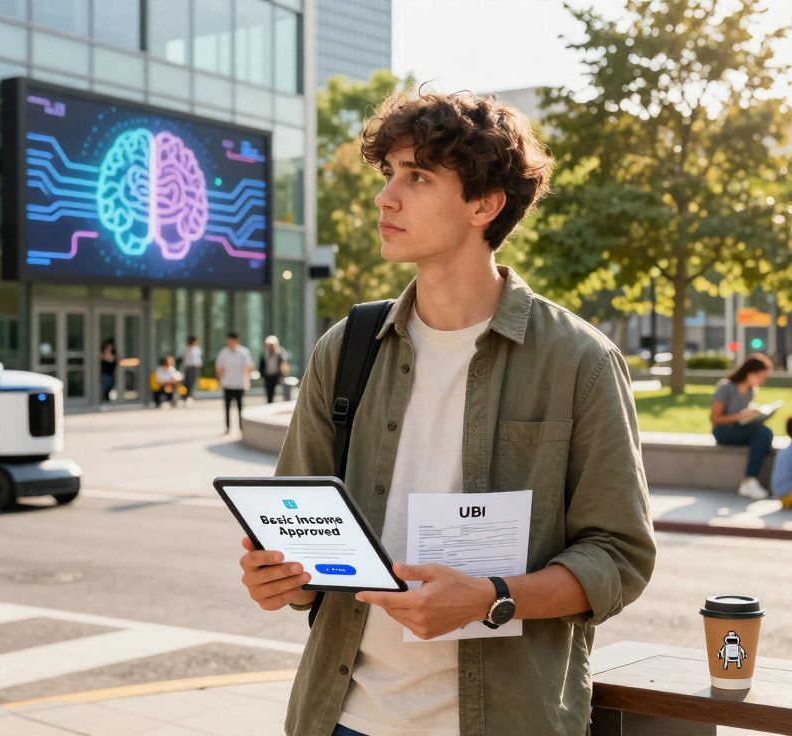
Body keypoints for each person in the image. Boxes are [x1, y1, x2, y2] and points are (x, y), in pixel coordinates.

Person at [236, 90, 654, 736]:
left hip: (508, 722)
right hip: (343, 718)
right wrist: (282, 578)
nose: (386, 198)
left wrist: (493, 598)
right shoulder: (345, 350)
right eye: (389, 174)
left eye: (419, 177)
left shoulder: (580, 361)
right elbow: (300, 542)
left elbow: (619, 556)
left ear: (484, 205)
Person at [710, 353, 775, 500]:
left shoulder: (751, 391)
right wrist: (740, 416)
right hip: (723, 431)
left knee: (765, 434)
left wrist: (755, 415)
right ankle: (749, 480)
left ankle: (750, 480)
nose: (762, 381)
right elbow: (714, 419)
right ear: (750, 373)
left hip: (740, 429)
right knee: (763, 434)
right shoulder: (726, 388)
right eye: (760, 377)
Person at [215, 331, 253, 433]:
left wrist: (247, 381)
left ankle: (241, 427)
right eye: (228, 340)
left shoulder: (243, 352)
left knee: (240, 407)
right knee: (227, 407)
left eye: (231, 340)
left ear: (236, 340)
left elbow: (249, 367)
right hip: (227, 384)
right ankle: (228, 427)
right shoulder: (223, 353)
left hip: (239, 384)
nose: (229, 342)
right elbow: (219, 368)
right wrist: (220, 380)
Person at [259, 335, 289, 404]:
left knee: (275, 391)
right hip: (267, 376)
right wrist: (262, 374)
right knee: (268, 391)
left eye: (272, 345)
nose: (270, 347)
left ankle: (273, 403)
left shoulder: (279, 354)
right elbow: (261, 365)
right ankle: (269, 402)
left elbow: (283, 364)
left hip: (276, 375)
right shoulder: (264, 354)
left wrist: (282, 374)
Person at [181, 336, 203, 406]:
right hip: (188, 367)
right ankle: (186, 396)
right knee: (188, 382)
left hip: (195, 367)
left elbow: (198, 358)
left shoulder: (197, 348)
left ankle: (190, 396)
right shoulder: (187, 348)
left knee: (193, 382)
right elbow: (184, 358)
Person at [98, 338, 117, 402]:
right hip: (105, 374)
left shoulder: (114, 353)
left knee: (110, 386)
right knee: (105, 387)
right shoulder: (103, 354)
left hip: (111, 373)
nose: (109, 348)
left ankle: (107, 398)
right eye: (108, 347)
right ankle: (104, 399)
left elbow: (114, 360)